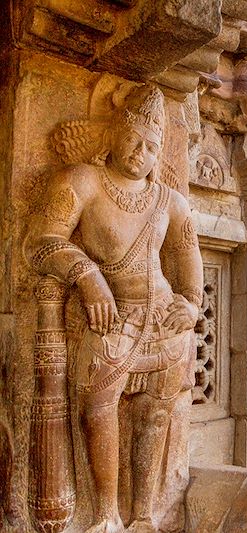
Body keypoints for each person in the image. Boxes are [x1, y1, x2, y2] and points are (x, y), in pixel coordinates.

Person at [26, 85, 203, 532]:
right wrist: (86, 276)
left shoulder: (170, 201)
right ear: (115, 133)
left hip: (163, 320)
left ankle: (143, 515)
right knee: (97, 406)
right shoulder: (81, 181)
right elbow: (41, 243)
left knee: (155, 414)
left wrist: (192, 304)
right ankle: (106, 514)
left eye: (152, 147)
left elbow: (188, 264)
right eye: (134, 140)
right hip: (112, 319)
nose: (141, 153)